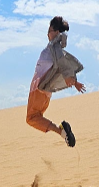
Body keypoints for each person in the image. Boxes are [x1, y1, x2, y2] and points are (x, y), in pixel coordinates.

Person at [26, 16, 85, 147]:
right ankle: (62, 132)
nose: (47, 33)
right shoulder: (54, 47)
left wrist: (72, 79)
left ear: (56, 32)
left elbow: (61, 62)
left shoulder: (54, 47)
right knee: (36, 117)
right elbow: (60, 64)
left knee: (31, 118)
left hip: (39, 91)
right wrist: (74, 82)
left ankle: (61, 132)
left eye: (50, 30)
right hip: (43, 92)